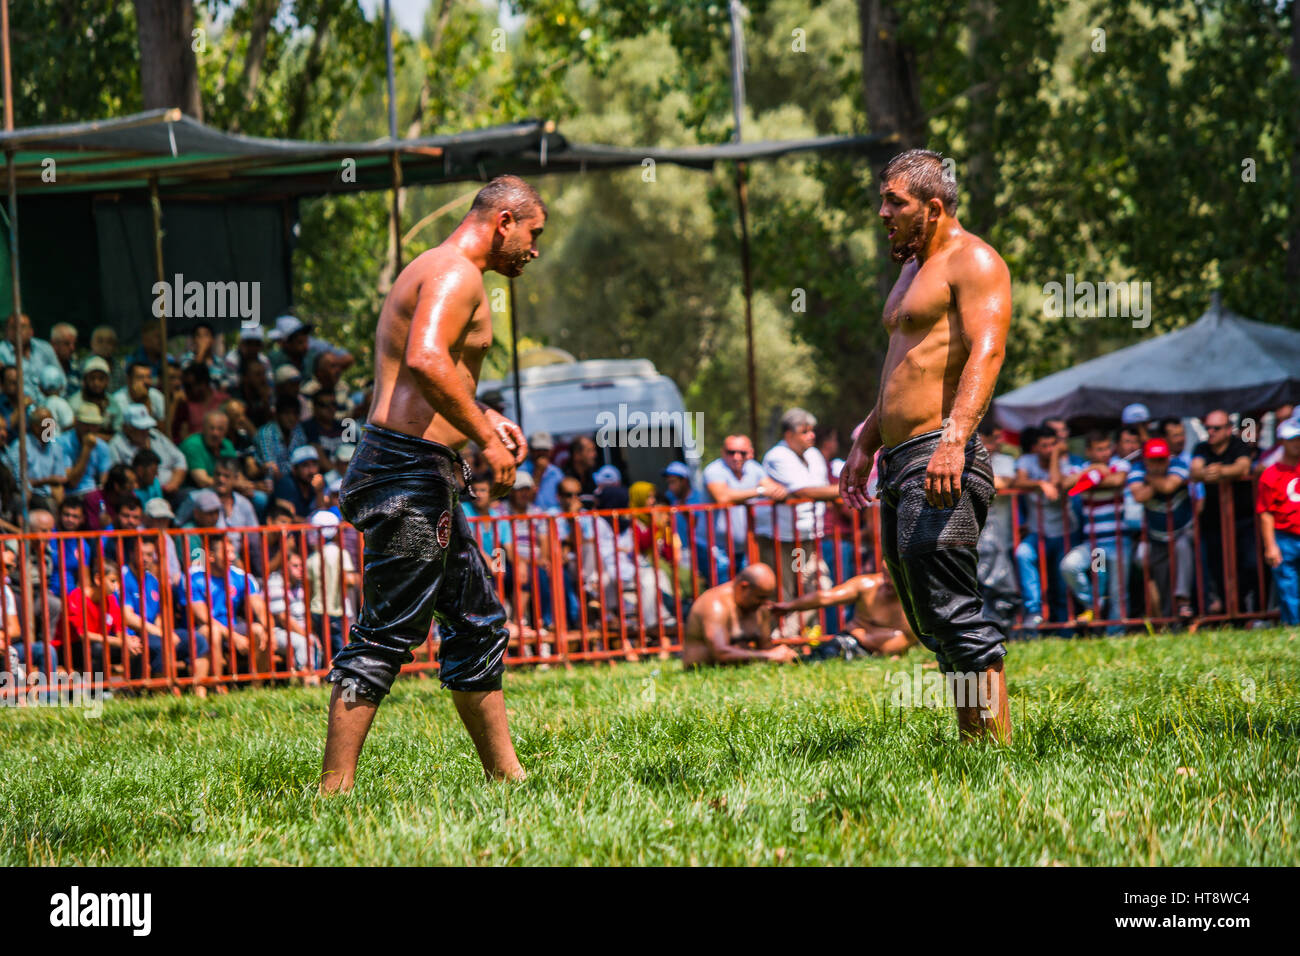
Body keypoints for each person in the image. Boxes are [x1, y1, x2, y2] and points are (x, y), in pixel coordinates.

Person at [320, 174, 541, 792]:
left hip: (418, 469)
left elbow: (427, 379)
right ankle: (333, 794)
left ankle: (507, 779)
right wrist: (489, 442)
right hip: (405, 472)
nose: (534, 248)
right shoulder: (455, 272)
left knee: (476, 622)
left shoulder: (439, 268)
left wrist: (485, 418)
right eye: (533, 232)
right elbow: (425, 358)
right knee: (388, 631)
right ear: (504, 220)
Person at [838, 148, 1013, 743]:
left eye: (895, 202)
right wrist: (866, 440)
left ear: (932, 207)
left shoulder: (975, 261)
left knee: (953, 608)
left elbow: (985, 354)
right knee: (926, 611)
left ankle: (992, 748)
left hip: (942, 453)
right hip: (901, 457)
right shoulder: (912, 270)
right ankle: (974, 740)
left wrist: (954, 441)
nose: (882, 211)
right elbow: (906, 367)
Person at [752, 408, 840, 637]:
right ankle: (778, 640)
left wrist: (830, 492)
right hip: (782, 539)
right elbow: (803, 490)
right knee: (784, 591)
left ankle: (786, 637)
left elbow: (816, 490)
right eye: (805, 431)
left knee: (819, 587)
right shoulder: (777, 456)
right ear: (789, 435)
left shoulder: (814, 455)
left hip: (806, 537)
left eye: (812, 431)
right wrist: (842, 490)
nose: (811, 436)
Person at [1059, 431, 1132, 629]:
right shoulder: (1082, 467)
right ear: (1089, 451)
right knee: (1073, 567)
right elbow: (1066, 484)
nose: (1104, 453)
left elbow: (1117, 481)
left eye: (1107, 448)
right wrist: (1095, 470)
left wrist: (1089, 481)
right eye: (1099, 449)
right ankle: (1093, 605)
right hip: (1096, 546)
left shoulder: (1120, 464)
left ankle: (1115, 634)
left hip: (1118, 542)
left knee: (1118, 592)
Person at [121, 536, 210, 694]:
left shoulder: (152, 580)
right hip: (133, 635)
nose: (147, 559)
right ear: (132, 554)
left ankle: (199, 693)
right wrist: (162, 634)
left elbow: (159, 616)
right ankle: (166, 695)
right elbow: (128, 618)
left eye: (150, 555)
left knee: (197, 640)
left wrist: (163, 632)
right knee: (162, 644)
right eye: (142, 554)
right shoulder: (124, 577)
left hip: (155, 633)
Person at [1011, 425, 1080, 630]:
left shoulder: (1066, 464)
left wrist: (1057, 457)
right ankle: (1033, 611)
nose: (1049, 449)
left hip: (1064, 533)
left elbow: (1057, 485)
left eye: (1053, 445)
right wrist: (1040, 484)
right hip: (1037, 531)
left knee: (1061, 583)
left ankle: (1064, 627)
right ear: (1035, 447)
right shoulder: (1026, 461)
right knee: (1022, 554)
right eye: (1045, 446)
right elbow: (1019, 480)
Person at [1190, 409, 1258, 616]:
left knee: (1251, 564)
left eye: (1216, 428)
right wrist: (1214, 473)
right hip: (1214, 521)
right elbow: (1195, 471)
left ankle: (1250, 610)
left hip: (1244, 519)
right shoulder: (1201, 448)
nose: (1210, 432)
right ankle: (1232, 615)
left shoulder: (1239, 445)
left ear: (1229, 430)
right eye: (1207, 427)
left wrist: (1219, 472)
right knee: (1219, 570)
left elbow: (1243, 468)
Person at [773, 569, 917, 657]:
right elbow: (825, 598)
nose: (888, 581)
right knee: (809, 659)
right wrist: (789, 606)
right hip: (847, 645)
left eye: (893, 576)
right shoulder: (867, 585)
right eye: (885, 574)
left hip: (881, 656)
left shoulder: (919, 594)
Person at [1127, 437, 1195, 620]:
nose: (1157, 465)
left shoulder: (1178, 464)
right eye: (1153, 461)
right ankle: (1168, 621)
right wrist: (1158, 484)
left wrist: (1150, 480)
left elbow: (1168, 486)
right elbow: (1140, 495)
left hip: (1183, 531)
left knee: (1183, 548)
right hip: (1153, 537)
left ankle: (1183, 602)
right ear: (1145, 460)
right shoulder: (1136, 469)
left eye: (1161, 460)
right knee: (1160, 579)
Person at [702, 434, 787, 580]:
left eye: (742, 452)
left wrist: (780, 491)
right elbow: (722, 497)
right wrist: (759, 491)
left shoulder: (754, 468)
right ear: (723, 452)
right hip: (717, 548)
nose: (736, 457)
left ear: (750, 453)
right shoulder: (714, 470)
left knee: (747, 592)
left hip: (745, 548)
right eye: (731, 452)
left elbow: (775, 489)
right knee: (724, 592)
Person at [680, 563, 798, 667]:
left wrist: (782, 654)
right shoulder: (715, 605)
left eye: (767, 597)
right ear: (743, 587)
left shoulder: (758, 608)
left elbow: (765, 647)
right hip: (703, 670)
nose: (764, 603)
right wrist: (770, 655)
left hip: (740, 670)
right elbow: (720, 653)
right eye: (760, 597)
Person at [1257, 416, 1300, 626]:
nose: (1297, 443)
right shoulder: (1270, 475)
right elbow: (1265, 512)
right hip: (1285, 537)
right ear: (1282, 441)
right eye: (1293, 439)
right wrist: (1270, 545)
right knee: (1288, 587)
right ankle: (1294, 628)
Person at [109, 404, 188, 497]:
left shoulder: (156, 435)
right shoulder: (116, 445)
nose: (145, 431)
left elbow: (180, 459)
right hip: (138, 496)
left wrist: (174, 483)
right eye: (139, 428)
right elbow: (118, 477)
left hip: (172, 491)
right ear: (126, 427)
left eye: (147, 427)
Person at [275, 445, 326, 518]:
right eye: (305, 465)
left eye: (314, 464)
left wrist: (319, 492)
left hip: (310, 527)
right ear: (294, 469)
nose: (311, 471)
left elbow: (322, 515)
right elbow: (288, 519)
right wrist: (311, 525)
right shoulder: (286, 484)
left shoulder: (320, 483)